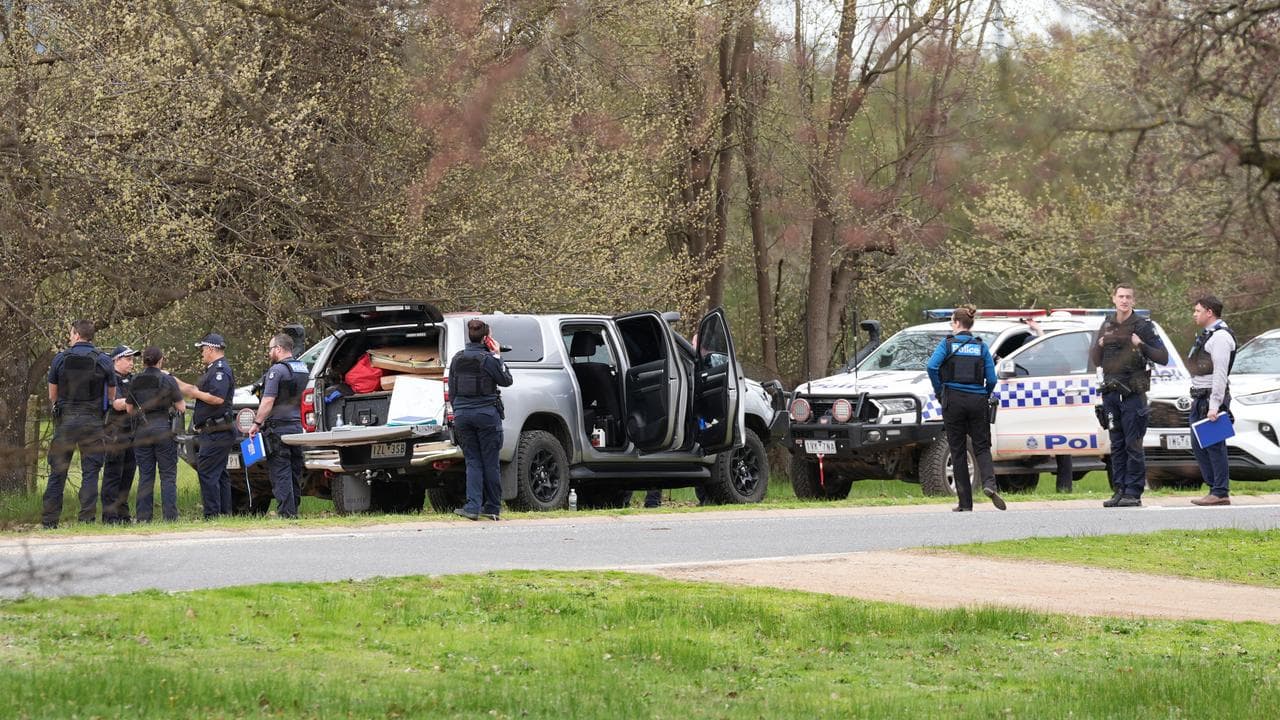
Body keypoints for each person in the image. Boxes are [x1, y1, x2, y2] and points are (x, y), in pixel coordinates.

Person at [1089, 284, 1169, 508]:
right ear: (1113, 298)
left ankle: (1133, 492)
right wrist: (1100, 345)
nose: (1124, 300)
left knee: (1133, 445)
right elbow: (1096, 360)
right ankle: (1119, 490)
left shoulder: (1143, 326)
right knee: (1116, 445)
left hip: (1133, 394)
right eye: (1120, 296)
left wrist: (1140, 344)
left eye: (1128, 297)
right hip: (1111, 394)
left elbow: (1162, 356)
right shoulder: (1106, 325)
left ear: (1133, 301)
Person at [926, 305, 1005, 512]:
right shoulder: (981, 346)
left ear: (957, 323)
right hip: (977, 399)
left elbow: (932, 367)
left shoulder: (947, 344)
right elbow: (993, 378)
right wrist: (985, 393)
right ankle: (989, 484)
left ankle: (965, 503)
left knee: (958, 450)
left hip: (953, 400)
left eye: (952, 321)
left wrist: (940, 390)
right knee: (981, 446)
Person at [42, 319, 117, 528]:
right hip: (92, 421)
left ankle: (49, 522)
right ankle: (86, 520)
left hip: (66, 421)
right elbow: (111, 394)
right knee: (91, 472)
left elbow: (52, 395)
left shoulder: (60, 359)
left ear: (76, 334)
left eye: (70, 333)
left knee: (57, 471)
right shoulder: (103, 360)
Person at [448, 319, 513, 520]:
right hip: (486, 415)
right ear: (487, 338)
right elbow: (507, 380)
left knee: (473, 462)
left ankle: (472, 507)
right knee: (490, 462)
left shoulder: (457, 359)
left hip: (463, 416)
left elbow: (452, 390)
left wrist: (458, 411)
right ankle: (492, 508)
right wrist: (498, 356)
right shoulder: (489, 359)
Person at [176, 333, 236, 518]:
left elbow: (217, 398)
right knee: (220, 474)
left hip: (217, 431)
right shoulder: (212, 370)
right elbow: (193, 390)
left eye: (202, 349)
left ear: (211, 349)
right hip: (214, 430)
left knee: (207, 472)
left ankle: (212, 514)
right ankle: (224, 512)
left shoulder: (220, 371)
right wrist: (173, 380)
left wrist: (195, 393)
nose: (201, 353)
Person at [248, 333, 308, 519]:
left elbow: (267, 401)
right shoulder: (303, 368)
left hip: (278, 428)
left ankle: (286, 514)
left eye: (270, 349)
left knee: (280, 472)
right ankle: (293, 510)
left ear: (279, 349)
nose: (269, 353)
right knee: (294, 471)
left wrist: (257, 423)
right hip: (297, 427)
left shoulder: (277, 371)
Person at [1186, 295, 1236, 506]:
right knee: (1199, 445)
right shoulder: (1209, 335)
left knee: (1214, 446)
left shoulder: (1221, 338)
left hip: (1210, 399)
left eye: (1198, 311)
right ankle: (1215, 488)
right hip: (1200, 397)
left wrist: (1214, 406)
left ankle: (1220, 491)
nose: (1194, 314)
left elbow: (1220, 375)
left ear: (1209, 312)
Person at [127, 347, 186, 522]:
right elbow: (181, 407)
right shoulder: (167, 380)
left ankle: (144, 518)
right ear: (161, 361)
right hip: (163, 429)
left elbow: (129, 409)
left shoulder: (135, 380)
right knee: (167, 475)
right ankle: (170, 518)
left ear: (143, 361)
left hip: (142, 431)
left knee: (146, 475)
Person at [1024, 317, 1075, 493]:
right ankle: (1040, 456)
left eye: (1037, 345)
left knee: (1062, 447)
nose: (1035, 349)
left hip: (1056, 405)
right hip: (1036, 407)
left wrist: (1039, 332)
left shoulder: (1053, 357)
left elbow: (1051, 351)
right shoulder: (1029, 359)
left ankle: (1064, 488)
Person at [101, 345, 140, 524]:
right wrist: (139, 400)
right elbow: (116, 403)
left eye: (133, 359)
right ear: (116, 360)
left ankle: (123, 515)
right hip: (115, 434)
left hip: (133, 432)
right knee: (113, 476)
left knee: (128, 475)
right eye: (128, 359)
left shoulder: (133, 379)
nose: (132, 363)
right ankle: (110, 516)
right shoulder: (110, 380)